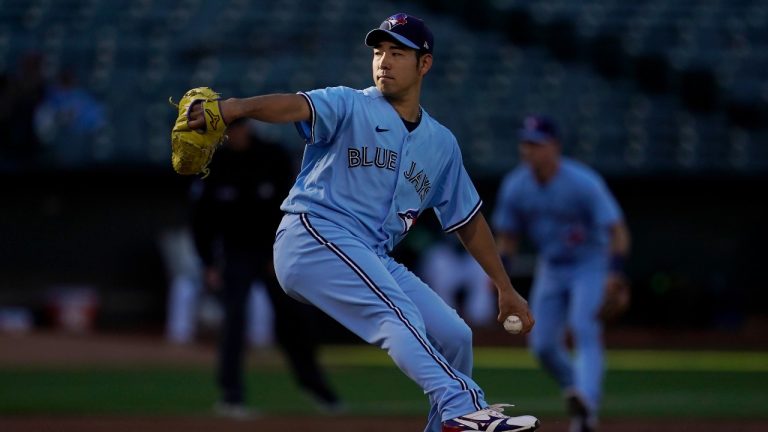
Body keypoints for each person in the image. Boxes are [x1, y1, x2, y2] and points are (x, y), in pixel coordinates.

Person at [186, 13, 540, 432]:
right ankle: (464, 406)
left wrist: (504, 286)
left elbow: (468, 220)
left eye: (397, 52)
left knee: (454, 335)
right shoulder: (350, 103)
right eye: (378, 51)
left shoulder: (441, 143)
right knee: (395, 311)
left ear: (424, 64)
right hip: (314, 234)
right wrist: (233, 108)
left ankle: (446, 423)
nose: (383, 61)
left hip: (369, 253)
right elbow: (293, 105)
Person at [189, 117, 341, 417]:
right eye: (229, 130)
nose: (235, 134)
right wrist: (208, 262)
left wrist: (284, 252)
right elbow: (200, 219)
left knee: (294, 321)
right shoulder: (214, 165)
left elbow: (295, 205)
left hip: (275, 252)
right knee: (234, 322)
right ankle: (231, 396)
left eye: (239, 128)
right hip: (235, 255)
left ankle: (319, 390)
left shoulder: (273, 157)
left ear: (249, 128)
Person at [492, 115, 631, 432]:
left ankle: (586, 405)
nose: (528, 150)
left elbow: (617, 230)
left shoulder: (582, 181)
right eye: (525, 143)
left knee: (584, 327)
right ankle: (577, 391)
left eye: (536, 144)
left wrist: (615, 273)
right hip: (552, 266)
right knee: (540, 345)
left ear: (554, 146)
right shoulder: (517, 185)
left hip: (589, 263)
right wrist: (502, 279)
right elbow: (508, 238)